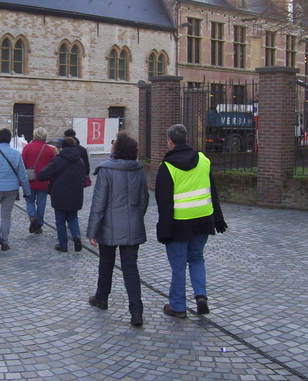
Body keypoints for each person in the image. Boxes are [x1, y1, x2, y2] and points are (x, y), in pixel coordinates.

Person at [155, 124, 227, 318]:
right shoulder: (203, 160)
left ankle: (178, 306)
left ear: (170, 141)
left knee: (178, 266)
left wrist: (164, 231)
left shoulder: (167, 166)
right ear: (186, 138)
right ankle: (200, 296)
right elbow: (213, 191)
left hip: (179, 223)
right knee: (196, 258)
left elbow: (164, 203)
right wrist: (218, 219)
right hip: (203, 219)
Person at [86, 131, 149, 327]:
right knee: (131, 268)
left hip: (109, 226)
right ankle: (136, 311)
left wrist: (92, 231)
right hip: (132, 225)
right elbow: (144, 200)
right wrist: (136, 218)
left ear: (117, 149)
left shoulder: (106, 170)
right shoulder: (138, 169)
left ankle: (102, 297)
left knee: (106, 263)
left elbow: (98, 204)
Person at [38, 137, 85, 252]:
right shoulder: (80, 161)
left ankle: (63, 244)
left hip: (60, 193)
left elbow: (43, 175)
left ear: (62, 148)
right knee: (73, 217)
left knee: (60, 220)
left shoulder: (58, 160)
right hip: (76, 193)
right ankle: (76, 236)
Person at [22, 127, 56, 234]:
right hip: (43, 180)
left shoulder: (27, 148)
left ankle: (32, 216)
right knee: (41, 203)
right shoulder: (49, 149)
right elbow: (53, 166)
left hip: (30, 179)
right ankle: (39, 225)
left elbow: (22, 163)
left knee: (30, 200)